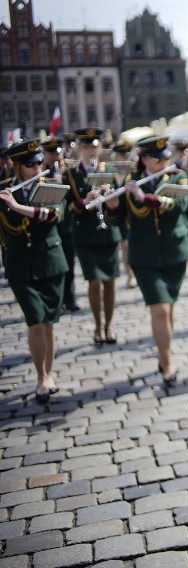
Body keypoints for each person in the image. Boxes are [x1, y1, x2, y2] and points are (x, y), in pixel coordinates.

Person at [104, 136, 188, 385]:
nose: (164, 162)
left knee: (169, 308)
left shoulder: (178, 177)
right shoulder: (129, 181)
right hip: (144, 255)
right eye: (157, 159)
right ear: (144, 159)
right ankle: (168, 364)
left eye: (165, 158)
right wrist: (111, 206)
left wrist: (145, 198)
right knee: (160, 308)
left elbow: (179, 205)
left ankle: (164, 355)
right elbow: (117, 220)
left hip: (175, 251)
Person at [0, 139, 68, 403]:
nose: (37, 166)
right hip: (20, 266)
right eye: (30, 164)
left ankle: (48, 374)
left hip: (50, 262)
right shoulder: (6, 190)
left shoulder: (51, 185)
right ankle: (41, 377)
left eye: (39, 162)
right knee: (36, 320)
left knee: (48, 323)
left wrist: (17, 207)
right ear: (16, 166)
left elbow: (52, 215)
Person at [63, 127, 121, 345]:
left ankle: (110, 325)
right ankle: (97, 325)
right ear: (79, 148)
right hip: (85, 233)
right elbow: (67, 206)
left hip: (108, 234)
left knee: (110, 282)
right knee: (94, 281)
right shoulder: (70, 174)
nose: (91, 150)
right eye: (86, 146)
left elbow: (117, 208)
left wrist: (111, 197)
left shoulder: (112, 170)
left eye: (94, 146)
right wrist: (85, 200)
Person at [42, 138, 79, 312]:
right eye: (52, 153)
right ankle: (56, 299)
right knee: (53, 267)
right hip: (48, 226)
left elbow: (74, 196)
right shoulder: (39, 171)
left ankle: (70, 298)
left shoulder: (68, 171)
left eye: (58, 152)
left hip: (66, 224)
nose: (56, 156)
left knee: (69, 265)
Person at [111, 139, 137, 290]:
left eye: (127, 155)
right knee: (125, 245)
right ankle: (130, 275)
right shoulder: (112, 171)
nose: (124, 158)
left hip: (134, 212)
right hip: (120, 213)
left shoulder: (135, 171)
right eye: (121, 155)